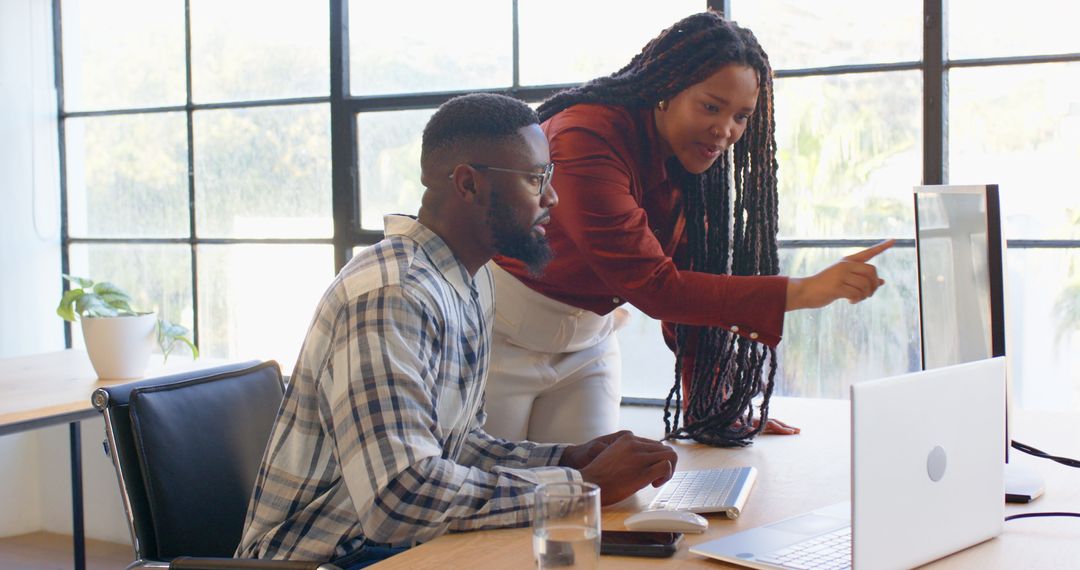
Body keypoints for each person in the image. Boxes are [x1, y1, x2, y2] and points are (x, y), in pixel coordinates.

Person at [234, 93, 678, 569]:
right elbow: (399, 498)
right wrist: (582, 487)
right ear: (468, 184)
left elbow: (456, 446)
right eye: (535, 179)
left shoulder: (468, 280)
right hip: (325, 559)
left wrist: (568, 459)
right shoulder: (391, 294)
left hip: (391, 549)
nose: (552, 197)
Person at [483, 11, 894, 447]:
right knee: (491, 482)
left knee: (592, 483)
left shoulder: (692, 163)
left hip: (589, 343)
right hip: (500, 337)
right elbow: (657, 287)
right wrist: (806, 291)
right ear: (667, 89)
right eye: (711, 107)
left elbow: (694, 287)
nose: (725, 130)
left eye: (741, 116)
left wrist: (714, 406)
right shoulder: (584, 137)